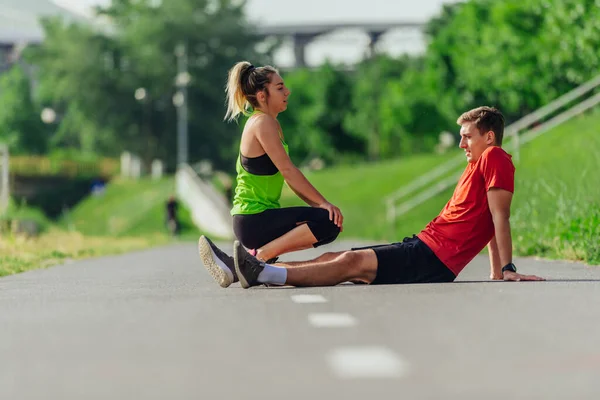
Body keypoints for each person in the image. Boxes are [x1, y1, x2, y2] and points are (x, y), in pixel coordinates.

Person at [199, 106, 545, 288]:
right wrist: (497, 272)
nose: (461, 144)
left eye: (467, 136)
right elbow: (488, 220)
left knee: (353, 265)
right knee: (341, 256)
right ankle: (253, 267)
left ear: (488, 136)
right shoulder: (480, 164)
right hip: (425, 247)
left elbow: (500, 217)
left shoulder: (495, 157)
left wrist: (508, 268)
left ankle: (259, 272)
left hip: (432, 258)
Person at [199, 61, 343, 288]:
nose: (287, 92)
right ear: (262, 95)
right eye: (279, 87)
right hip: (254, 219)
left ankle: (239, 267)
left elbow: (288, 173)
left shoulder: (269, 123)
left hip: (258, 219)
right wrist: (322, 204)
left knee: (328, 226)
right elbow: (288, 171)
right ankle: (257, 259)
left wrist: (319, 205)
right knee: (328, 221)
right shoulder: (262, 123)